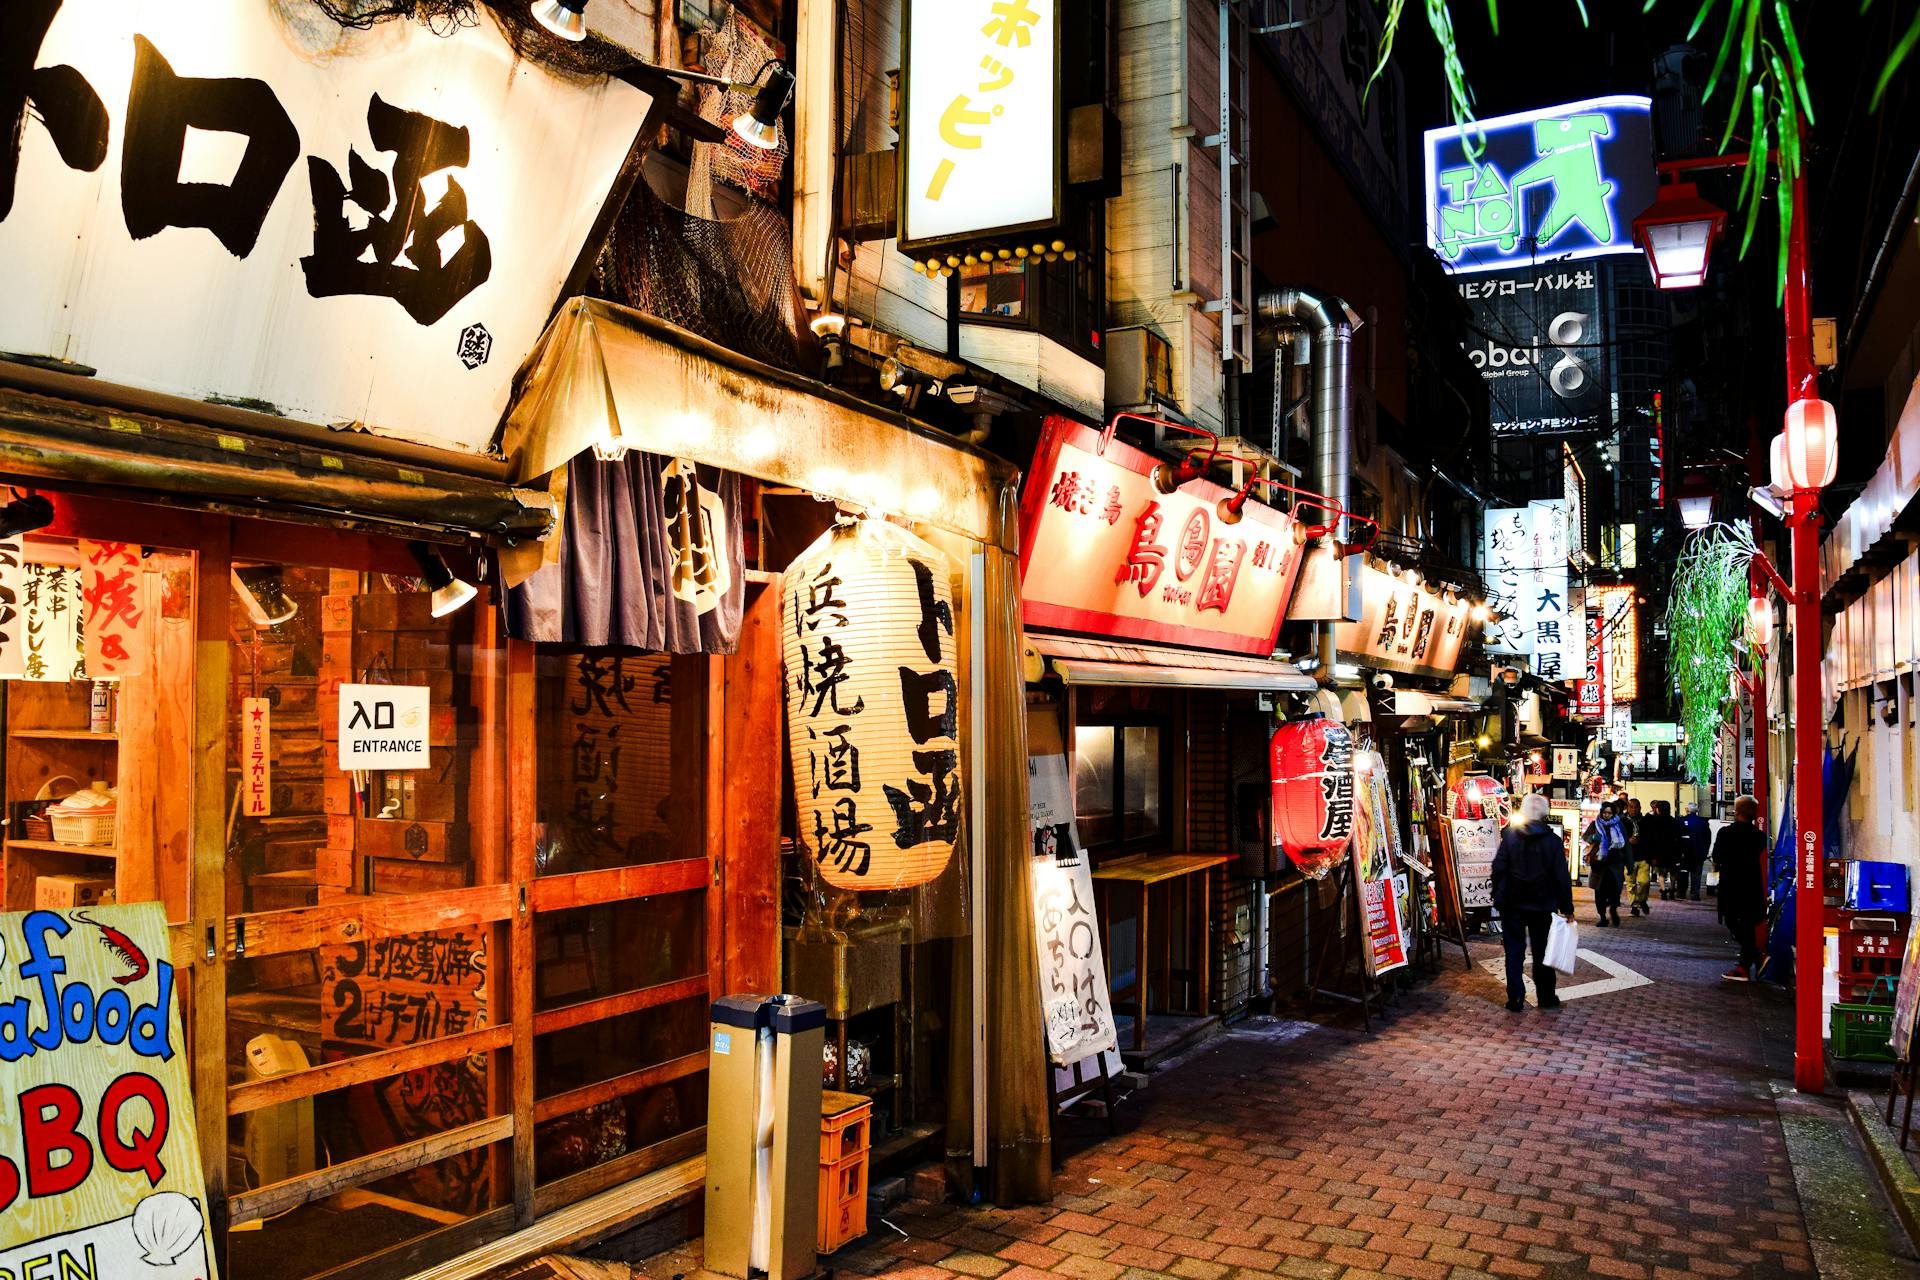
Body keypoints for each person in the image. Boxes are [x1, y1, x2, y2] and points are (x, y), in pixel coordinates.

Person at [1493, 793, 1575, 1012]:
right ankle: (1546, 996)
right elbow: (1561, 877)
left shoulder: (1510, 837)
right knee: (1542, 952)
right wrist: (1567, 907)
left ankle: (1516, 998)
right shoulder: (1553, 842)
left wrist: (1498, 896)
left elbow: (1498, 868)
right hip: (1542, 904)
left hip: (1512, 903)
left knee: (1514, 951)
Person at [1713, 795, 1770, 981]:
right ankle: (1751, 961)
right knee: (1747, 923)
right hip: (1751, 885)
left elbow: (1717, 857)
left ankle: (1747, 964)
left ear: (1736, 812)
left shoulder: (1726, 833)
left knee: (1733, 921)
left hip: (1731, 884)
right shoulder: (1759, 837)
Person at [1582, 801, 1627, 926]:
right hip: (1599, 864)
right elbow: (1585, 837)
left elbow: (1626, 846)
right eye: (1605, 813)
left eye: (1609, 813)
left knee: (1615, 891)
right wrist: (1593, 838)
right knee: (1599, 893)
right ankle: (1602, 917)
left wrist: (1629, 863)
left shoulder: (1619, 825)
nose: (1607, 815)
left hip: (1614, 863)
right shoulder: (1595, 824)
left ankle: (1613, 909)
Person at [1640, 800, 1682, 902]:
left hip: (1659, 851)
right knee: (1672, 872)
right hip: (1672, 851)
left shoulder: (1654, 821)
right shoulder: (1674, 821)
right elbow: (1678, 837)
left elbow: (1651, 838)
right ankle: (1672, 889)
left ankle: (1663, 891)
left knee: (1661, 873)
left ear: (1658, 809)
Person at [1679, 802, 1712, 901]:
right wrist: (1705, 851)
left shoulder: (1681, 820)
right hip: (1699, 852)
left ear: (1686, 809)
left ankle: (1681, 892)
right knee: (1696, 874)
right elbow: (1708, 838)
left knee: (1683, 873)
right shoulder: (1703, 822)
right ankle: (1695, 894)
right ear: (1697, 811)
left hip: (1685, 852)